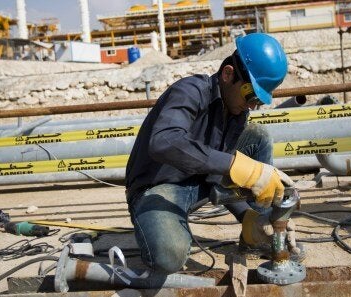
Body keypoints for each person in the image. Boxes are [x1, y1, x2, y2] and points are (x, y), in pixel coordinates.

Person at [125, 33, 301, 273]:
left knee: (257, 137)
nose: (252, 106)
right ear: (228, 74)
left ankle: (261, 228)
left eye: (258, 101)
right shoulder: (189, 91)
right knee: (168, 255)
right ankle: (157, 225)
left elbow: (215, 175)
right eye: (250, 95)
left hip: (201, 181)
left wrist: (247, 216)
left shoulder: (237, 113)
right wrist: (235, 165)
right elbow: (164, 141)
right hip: (157, 187)